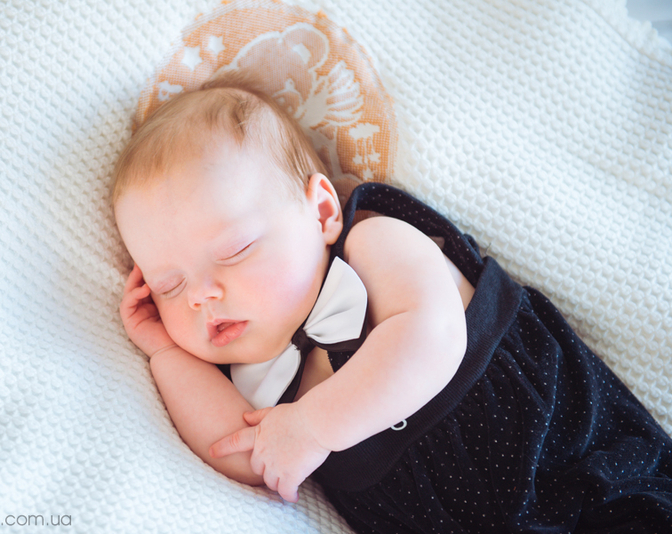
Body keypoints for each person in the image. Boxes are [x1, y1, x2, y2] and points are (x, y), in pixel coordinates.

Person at [112, 76, 672, 533]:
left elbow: (434, 336)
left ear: (321, 212)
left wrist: (313, 426)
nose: (201, 295)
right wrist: (167, 353)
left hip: (568, 462)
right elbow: (238, 453)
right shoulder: (255, 381)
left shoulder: (371, 243)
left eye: (235, 250)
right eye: (169, 286)